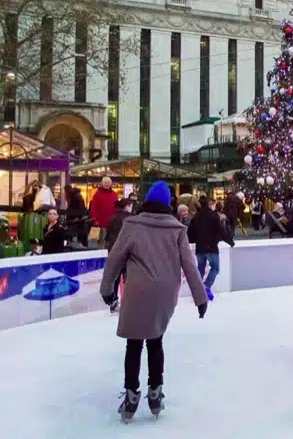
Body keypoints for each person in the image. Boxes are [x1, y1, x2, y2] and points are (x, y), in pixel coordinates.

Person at [99, 181, 208, 423]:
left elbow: (115, 259)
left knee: (134, 343)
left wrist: (107, 290)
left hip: (138, 290)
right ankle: (155, 392)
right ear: (169, 203)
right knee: (155, 341)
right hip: (165, 292)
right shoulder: (177, 228)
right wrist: (200, 299)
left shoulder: (132, 224)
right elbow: (189, 266)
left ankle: (131, 395)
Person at [188, 196, 234, 301]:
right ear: (209, 204)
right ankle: (206, 286)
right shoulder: (214, 216)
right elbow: (221, 230)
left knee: (200, 268)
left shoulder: (197, 216)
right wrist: (230, 241)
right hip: (211, 247)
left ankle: (198, 289)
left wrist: (190, 241)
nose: (215, 206)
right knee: (215, 267)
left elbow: (191, 231)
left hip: (200, 247)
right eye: (213, 204)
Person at [105, 199, 134, 314]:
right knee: (129, 277)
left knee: (115, 278)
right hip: (126, 252)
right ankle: (129, 303)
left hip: (113, 252)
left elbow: (107, 237)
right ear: (127, 206)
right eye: (131, 206)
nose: (131, 208)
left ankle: (113, 302)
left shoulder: (112, 218)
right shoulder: (129, 219)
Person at [90, 177, 119, 246]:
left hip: (112, 222)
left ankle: (109, 255)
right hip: (101, 223)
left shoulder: (114, 194)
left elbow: (117, 207)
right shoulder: (97, 194)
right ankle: (101, 254)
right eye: (105, 182)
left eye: (108, 182)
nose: (107, 184)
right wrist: (95, 219)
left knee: (111, 240)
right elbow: (93, 208)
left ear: (111, 183)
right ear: (102, 184)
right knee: (102, 240)